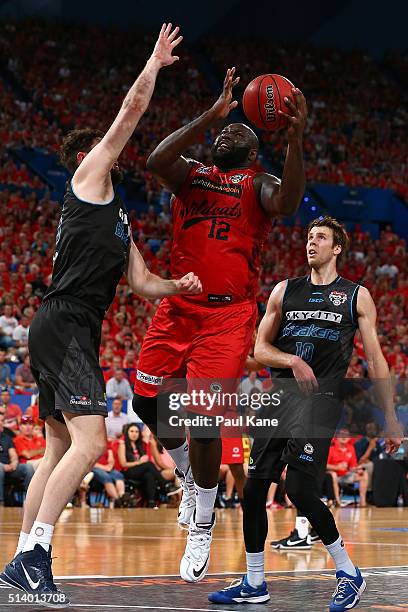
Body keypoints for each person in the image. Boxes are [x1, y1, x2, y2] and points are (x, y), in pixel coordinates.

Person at [0, 24, 201, 607]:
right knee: (90, 444)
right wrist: (155, 63)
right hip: (63, 322)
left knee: (60, 448)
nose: (110, 147)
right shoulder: (87, 180)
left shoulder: (117, 221)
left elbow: (141, 284)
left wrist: (178, 284)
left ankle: (21, 558)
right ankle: (36, 555)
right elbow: (132, 108)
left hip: (65, 327)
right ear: (87, 157)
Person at [132, 67, 307, 582]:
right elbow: (154, 159)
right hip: (179, 303)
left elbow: (291, 201)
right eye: (225, 131)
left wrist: (296, 139)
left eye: (241, 133)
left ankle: (203, 525)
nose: (230, 134)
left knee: (206, 421)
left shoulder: (259, 185)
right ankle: (187, 474)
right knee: (146, 401)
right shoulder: (190, 173)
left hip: (228, 315)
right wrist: (211, 115)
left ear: (254, 152)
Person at [208, 216, 402, 610]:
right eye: (309, 237)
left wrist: (391, 417)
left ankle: (348, 572)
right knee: (253, 488)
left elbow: (377, 360)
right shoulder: (285, 291)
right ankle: (255, 582)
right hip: (278, 397)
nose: (311, 243)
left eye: (321, 238)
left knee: (299, 489)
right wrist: (292, 360)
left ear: (337, 249)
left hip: (321, 401)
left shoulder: (355, 295)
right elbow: (259, 350)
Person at [118, 423, 180, 508]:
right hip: (127, 471)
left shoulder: (140, 445)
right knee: (149, 465)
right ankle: (166, 485)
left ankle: (151, 503)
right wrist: (139, 462)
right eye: (131, 431)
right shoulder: (123, 444)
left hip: (139, 472)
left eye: (136, 432)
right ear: (127, 433)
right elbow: (123, 463)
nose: (134, 434)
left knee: (149, 475)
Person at [0, 413, 34, 507]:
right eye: (1, 421)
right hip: (1, 467)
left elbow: (13, 454)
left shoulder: (6, 438)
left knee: (28, 467)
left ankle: (30, 500)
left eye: (3, 421)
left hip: (10, 468)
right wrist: (3, 466)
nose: (2, 423)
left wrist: (14, 463)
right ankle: (1, 502)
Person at [327, 432, 369, 507]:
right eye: (342, 435)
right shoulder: (331, 447)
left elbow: (352, 466)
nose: (344, 437)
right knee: (333, 475)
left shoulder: (351, 448)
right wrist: (337, 467)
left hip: (345, 474)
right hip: (333, 475)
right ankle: (337, 502)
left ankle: (363, 502)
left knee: (364, 474)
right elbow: (324, 465)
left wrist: (357, 469)